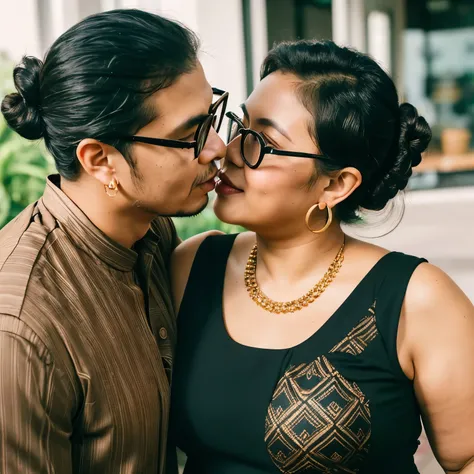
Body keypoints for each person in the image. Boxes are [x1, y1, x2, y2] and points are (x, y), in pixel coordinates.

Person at [170, 40, 474, 474]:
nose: (229, 150)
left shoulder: (415, 299)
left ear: (335, 185)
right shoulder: (193, 266)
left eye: (262, 141)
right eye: (240, 125)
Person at [0, 9, 226, 474]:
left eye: (212, 117)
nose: (218, 147)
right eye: (191, 135)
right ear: (100, 159)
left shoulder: (151, 232)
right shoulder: (22, 327)